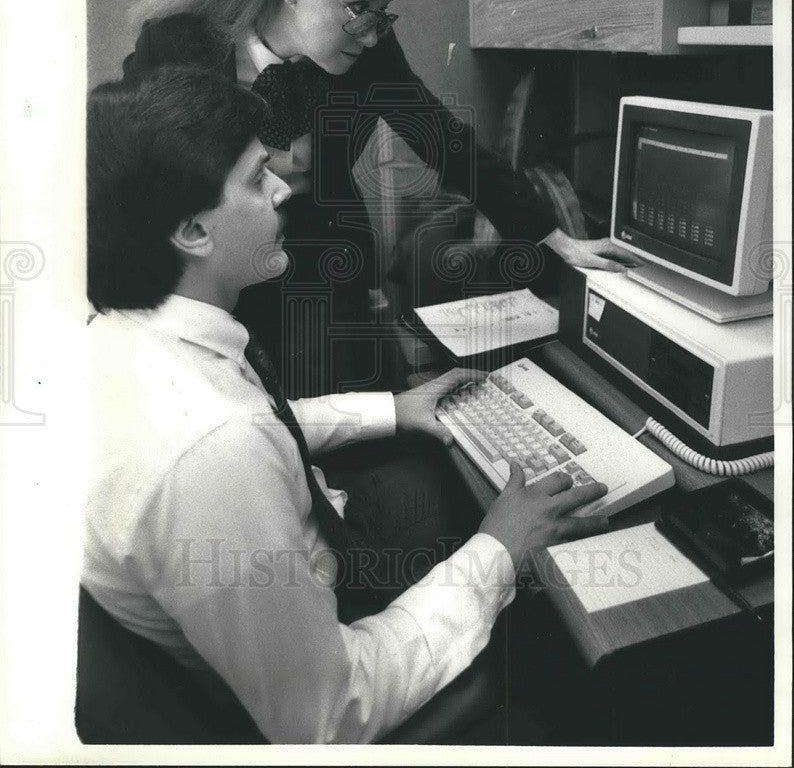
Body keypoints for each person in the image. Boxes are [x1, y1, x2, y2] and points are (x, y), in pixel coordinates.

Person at [83, 65, 610, 744]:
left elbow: (264, 424)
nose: (281, 188)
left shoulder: (130, 332)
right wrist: (499, 550)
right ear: (192, 231)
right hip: (326, 676)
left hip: (293, 587)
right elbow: (330, 719)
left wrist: (394, 408)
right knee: (560, 627)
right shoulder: (210, 454)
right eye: (254, 179)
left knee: (435, 494)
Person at [120, 0, 634, 397]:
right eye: (359, 7)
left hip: (322, 255)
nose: (370, 35)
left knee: (347, 414)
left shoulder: (370, 52)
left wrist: (556, 237)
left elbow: (442, 138)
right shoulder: (174, 45)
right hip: (209, 265)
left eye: (381, 12)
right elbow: (132, 176)